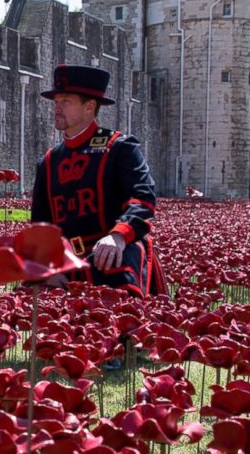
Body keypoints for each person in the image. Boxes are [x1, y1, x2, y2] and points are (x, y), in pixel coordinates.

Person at [30, 64, 165, 295]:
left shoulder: (119, 148)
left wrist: (118, 237)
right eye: (56, 102)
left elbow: (142, 198)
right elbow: (41, 225)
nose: (57, 108)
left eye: (66, 102)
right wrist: (49, 268)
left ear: (89, 106)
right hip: (66, 264)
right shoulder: (49, 161)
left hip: (112, 254)